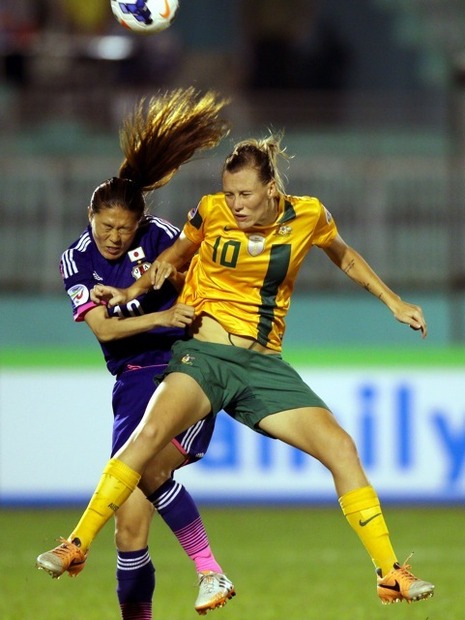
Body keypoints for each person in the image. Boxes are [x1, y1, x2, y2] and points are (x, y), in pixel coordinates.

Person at [37, 131, 435, 607]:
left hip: (262, 365)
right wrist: (127, 295)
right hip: (203, 357)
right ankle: (78, 544)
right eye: (230, 193)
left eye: (245, 194)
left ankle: (390, 573)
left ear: (271, 189)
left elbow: (344, 256)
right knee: (145, 440)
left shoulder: (309, 214)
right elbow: (169, 258)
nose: (236, 203)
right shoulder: (209, 211)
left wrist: (394, 302)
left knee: (341, 447)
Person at [36, 87, 236, 618]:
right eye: (106, 227)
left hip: (181, 375)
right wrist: (159, 315)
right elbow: (104, 331)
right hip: (130, 387)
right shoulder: (76, 261)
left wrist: (194, 324)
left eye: (125, 229)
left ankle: (205, 568)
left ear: (140, 224)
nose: (115, 238)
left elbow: (206, 288)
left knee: (145, 472)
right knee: (128, 527)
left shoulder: (164, 238)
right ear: (90, 216)